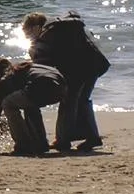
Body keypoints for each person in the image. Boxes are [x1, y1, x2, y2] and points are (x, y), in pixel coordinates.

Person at [21, 11, 110, 152]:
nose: (29, 37)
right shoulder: (61, 28)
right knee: (82, 100)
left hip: (80, 68)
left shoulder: (47, 35)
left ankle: (63, 141)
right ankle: (91, 138)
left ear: (36, 27)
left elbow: (42, 65)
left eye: (28, 33)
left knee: (69, 101)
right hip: (96, 63)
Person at [0, 58, 66, 156]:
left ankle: (23, 145)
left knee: (8, 104)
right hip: (61, 87)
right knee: (29, 104)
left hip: (42, 85)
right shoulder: (25, 67)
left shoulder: (8, 77)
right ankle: (41, 143)